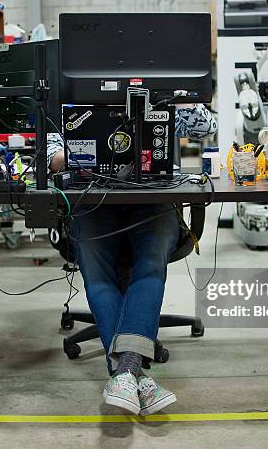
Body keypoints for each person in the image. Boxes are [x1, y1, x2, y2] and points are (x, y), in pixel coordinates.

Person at [47, 104, 216, 415]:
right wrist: (84, 155)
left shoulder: (160, 98)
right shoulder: (70, 100)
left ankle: (124, 373)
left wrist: (177, 96)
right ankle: (134, 372)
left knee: (151, 263)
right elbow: (50, 156)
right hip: (91, 200)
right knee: (97, 272)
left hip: (152, 199)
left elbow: (206, 128)